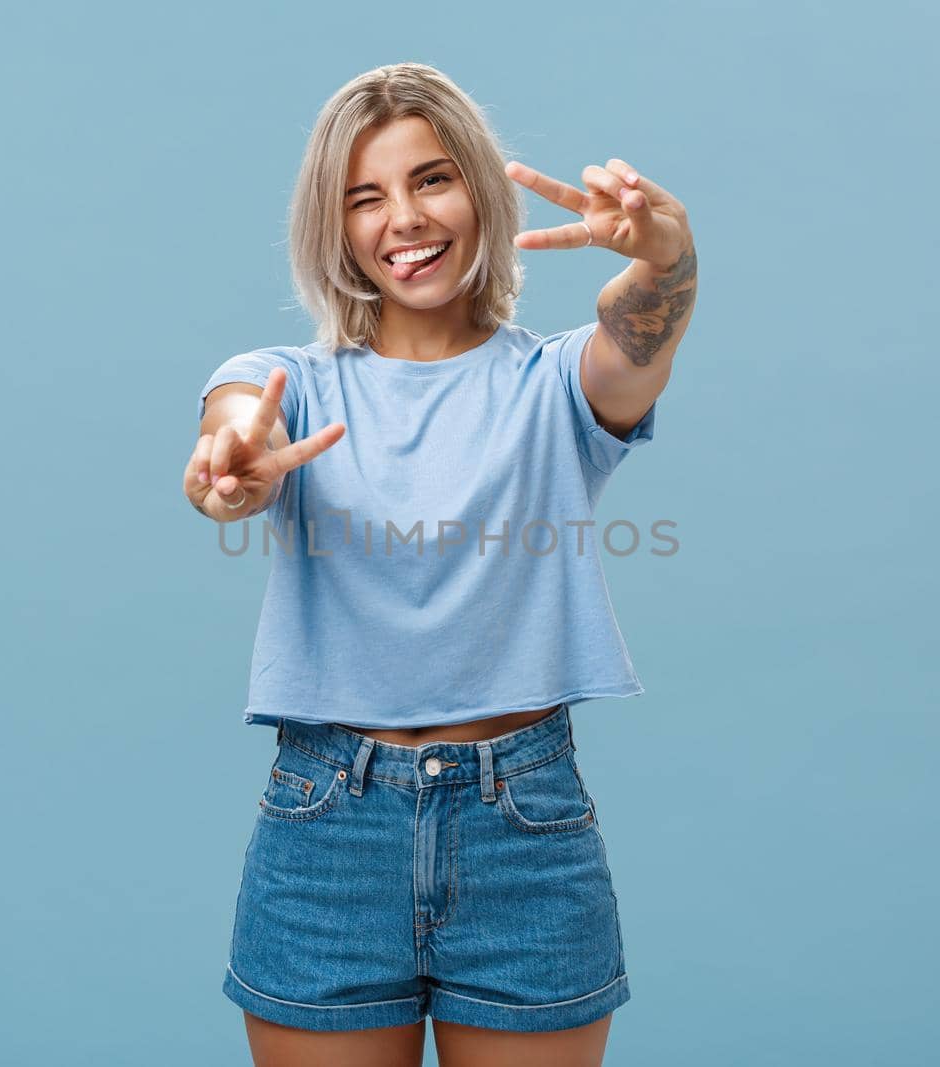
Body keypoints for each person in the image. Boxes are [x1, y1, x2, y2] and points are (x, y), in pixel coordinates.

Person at [189, 62, 696, 1066]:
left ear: (479, 190)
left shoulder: (556, 385)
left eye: (430, 180)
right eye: (363, 197)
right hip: (327, 827)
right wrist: (234, 466)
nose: (402, 219)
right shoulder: (279, 379)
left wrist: (666, 261)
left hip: (525, 830)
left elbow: (641, 336)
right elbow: (231, 441)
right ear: (332, 228)